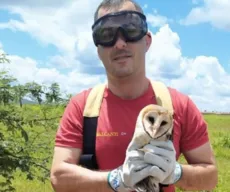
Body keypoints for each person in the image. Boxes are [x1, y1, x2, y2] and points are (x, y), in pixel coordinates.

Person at [50, 0, 218, 192]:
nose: (120, 43)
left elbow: (210, 177)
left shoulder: (180, 105)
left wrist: (175, 172)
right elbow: (58, 177)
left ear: (146, 41)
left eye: (130, 30)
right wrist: (116, 180)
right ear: (98, 50)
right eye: (107, 34)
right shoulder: (82, 107)